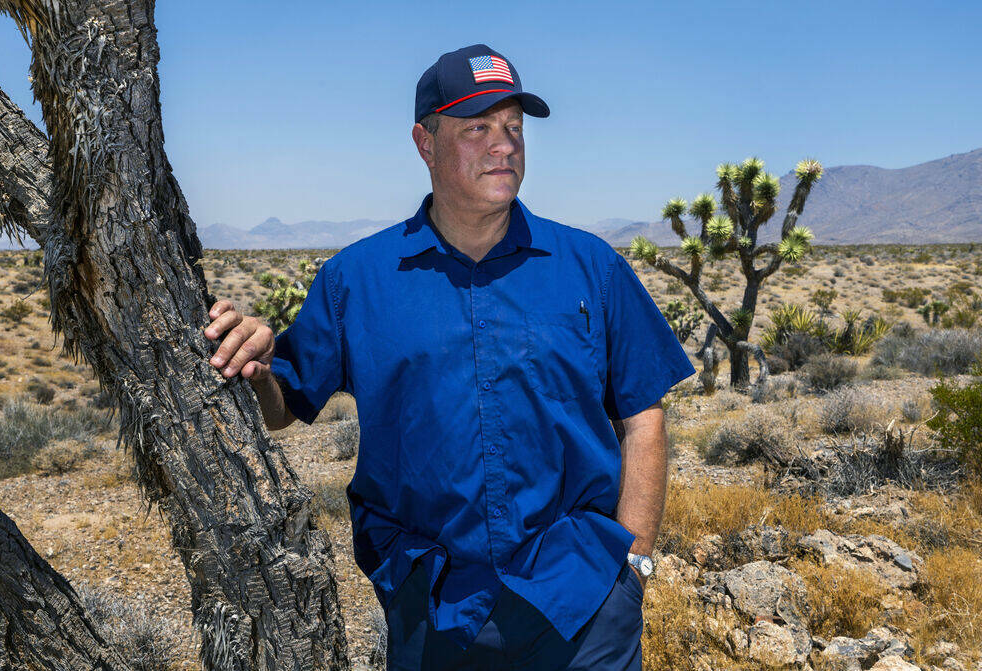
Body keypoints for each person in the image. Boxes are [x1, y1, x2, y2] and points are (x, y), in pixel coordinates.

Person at [203, 43, 696, 670]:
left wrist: (635, 565)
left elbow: (643, 415)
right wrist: (253, 362)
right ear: (424, 142)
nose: (505, 145)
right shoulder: (356, 281)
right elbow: (282, 408)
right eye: (478, 127)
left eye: (514, 128)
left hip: (582, 597)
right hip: (432, 602)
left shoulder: (591, 268)